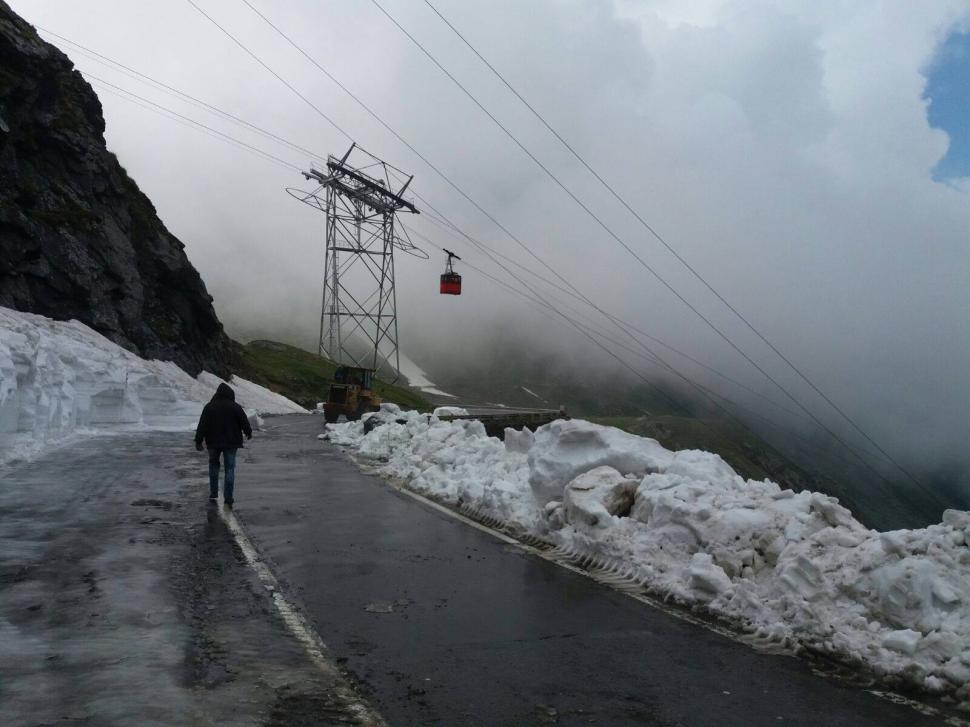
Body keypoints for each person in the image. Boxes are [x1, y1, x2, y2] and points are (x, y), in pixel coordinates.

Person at [194, 382, 252, 508]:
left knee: (213, 466)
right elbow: (244, 422)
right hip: (231, 443)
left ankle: (214, 492)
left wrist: (198, 441)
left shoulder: (209, 407)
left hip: (213, 443)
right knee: (229, 468)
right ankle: (228, 497)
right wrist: (248, 432)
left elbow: (202, 425)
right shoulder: (235, 407)